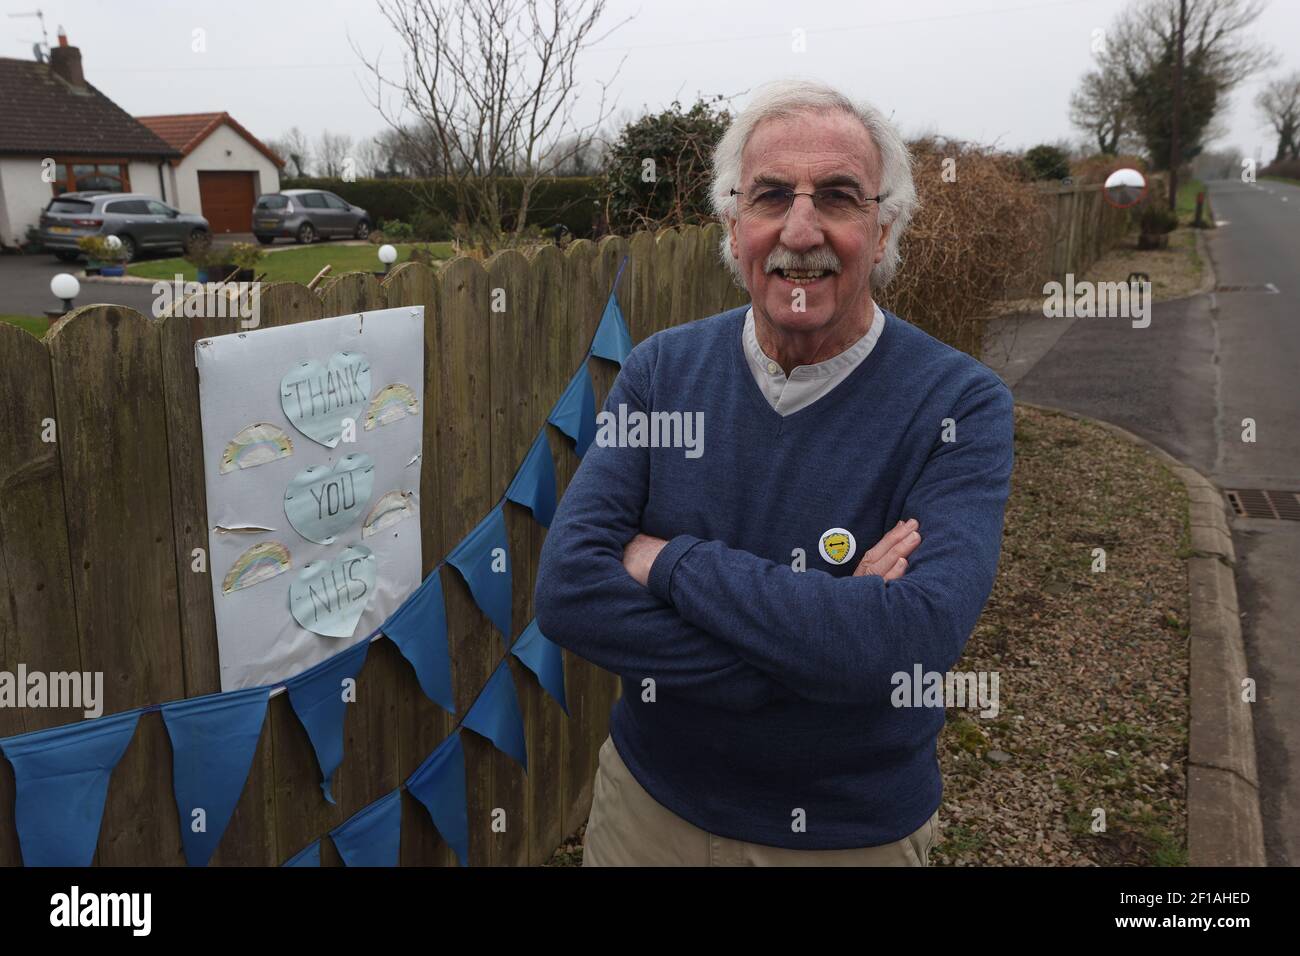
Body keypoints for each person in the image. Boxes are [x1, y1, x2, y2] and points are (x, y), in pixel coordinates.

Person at [534, 78, 1014, 866]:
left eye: (837, 196)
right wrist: (823, 647)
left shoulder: (960, 404)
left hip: (847, 835)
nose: (801, 229)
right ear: (733, 223)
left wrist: (665, 559)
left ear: (884, 228)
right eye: (770, 197)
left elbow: (911, 645)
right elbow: (568, 595)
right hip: (647, 810)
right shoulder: (661, 372)